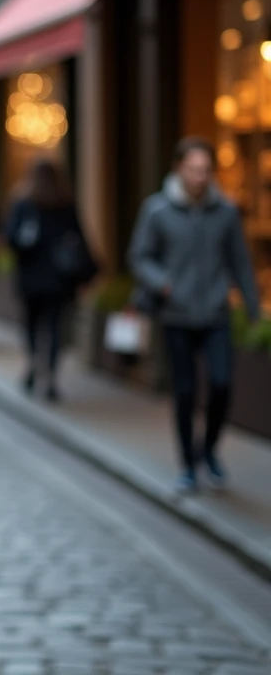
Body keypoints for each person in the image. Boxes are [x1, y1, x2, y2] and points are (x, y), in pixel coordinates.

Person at [129, 136, 260, 493]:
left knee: (221, 385)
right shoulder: (157, 210)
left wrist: (252, 306)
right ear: (178, 169)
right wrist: (164, 283)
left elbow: (240, 262)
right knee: (185, 392)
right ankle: (188, 465)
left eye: (206, 170)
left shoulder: (227, 212)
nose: (200, 177)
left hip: (216, 312)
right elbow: (140, 257)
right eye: (193, 169)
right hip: (177, 315)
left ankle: (209, 451)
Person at [4, 157, 93, 402]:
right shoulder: (65, 203)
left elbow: (9, 238)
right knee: (54, 327)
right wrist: (87, 273)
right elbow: (80, 238)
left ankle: (34, 361)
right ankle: (50, 374)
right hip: (58, 278)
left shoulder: (23, 203)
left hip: (31, 276)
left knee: (32, 323)